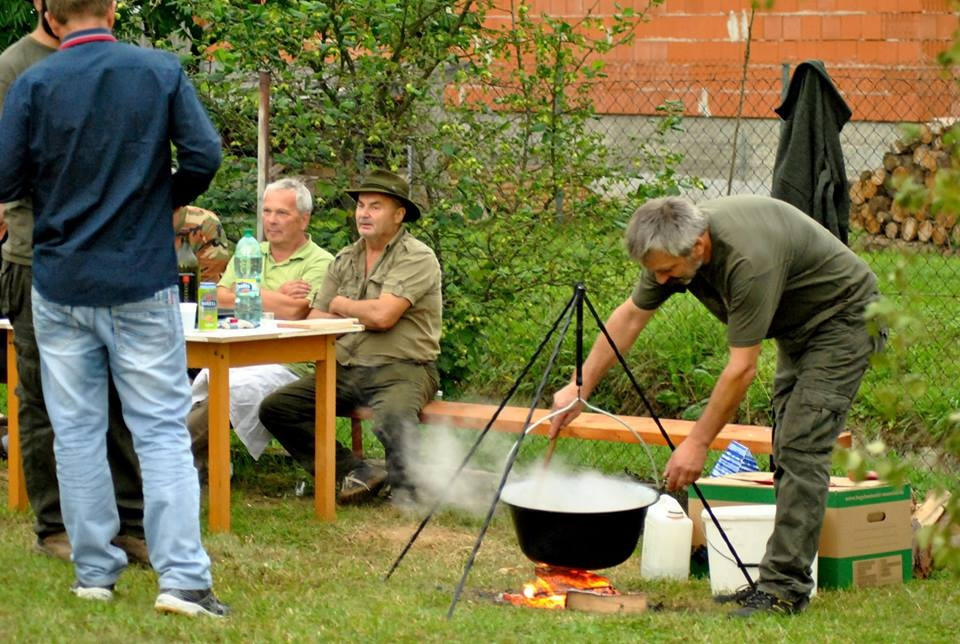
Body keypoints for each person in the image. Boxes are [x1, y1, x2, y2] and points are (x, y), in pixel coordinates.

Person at [549, 195, 883, 617]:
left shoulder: (747, 261)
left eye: (667, 271)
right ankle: (779, 579)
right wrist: (580, 385)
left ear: (699, 246)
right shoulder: (670, 247)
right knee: (788, 446)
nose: (661, 279)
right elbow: (631, 316)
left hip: (845, 318)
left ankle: (783, 589)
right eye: (655, 271)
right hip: (798, 327)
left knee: (802, 446)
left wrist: (697, 443)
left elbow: (741, 369)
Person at [0, 0, 227, 617]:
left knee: (75, 431)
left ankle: (94, 572)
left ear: (50, 15)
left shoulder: (33, 81)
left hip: (60, 279)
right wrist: (160, 201)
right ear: (113, 7)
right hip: (138, 275)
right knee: (159, 429)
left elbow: (6, 180)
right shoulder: (158, 70)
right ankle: (183, 581)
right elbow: (204, 155)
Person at [0, 0, 147, 566]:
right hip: (38, 258)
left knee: (121, 393)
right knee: (43, 399)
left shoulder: (112, 62)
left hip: (109, 258)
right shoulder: (15, 67)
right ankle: (55, 526)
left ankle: (129, 524)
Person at [259, 168, 442, 506]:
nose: (364, 214)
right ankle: (353, 472)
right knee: (277, 409)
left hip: (403, 368)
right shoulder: (346, 258)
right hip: (345, 368)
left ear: (399, 215)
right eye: (361, 206)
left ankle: (408, 493)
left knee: (392, 418)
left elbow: (383, 316)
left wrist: (341, 305)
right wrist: (360, 313)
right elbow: (316, 318)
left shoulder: (416, 256)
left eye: (375, 206)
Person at [187, 177, 334, 467]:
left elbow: (296, 310)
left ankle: (168, 469)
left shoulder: (321, 261)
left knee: (223, 396)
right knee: (186, 386)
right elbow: (217, 296)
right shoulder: (250, 250)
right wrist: (276, 295)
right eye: (267, 211)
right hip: (236, 354)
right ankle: (193, 469)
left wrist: (246, 291)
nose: (271, 220)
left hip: (290, 363)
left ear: (304, 219)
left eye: (282, 213)